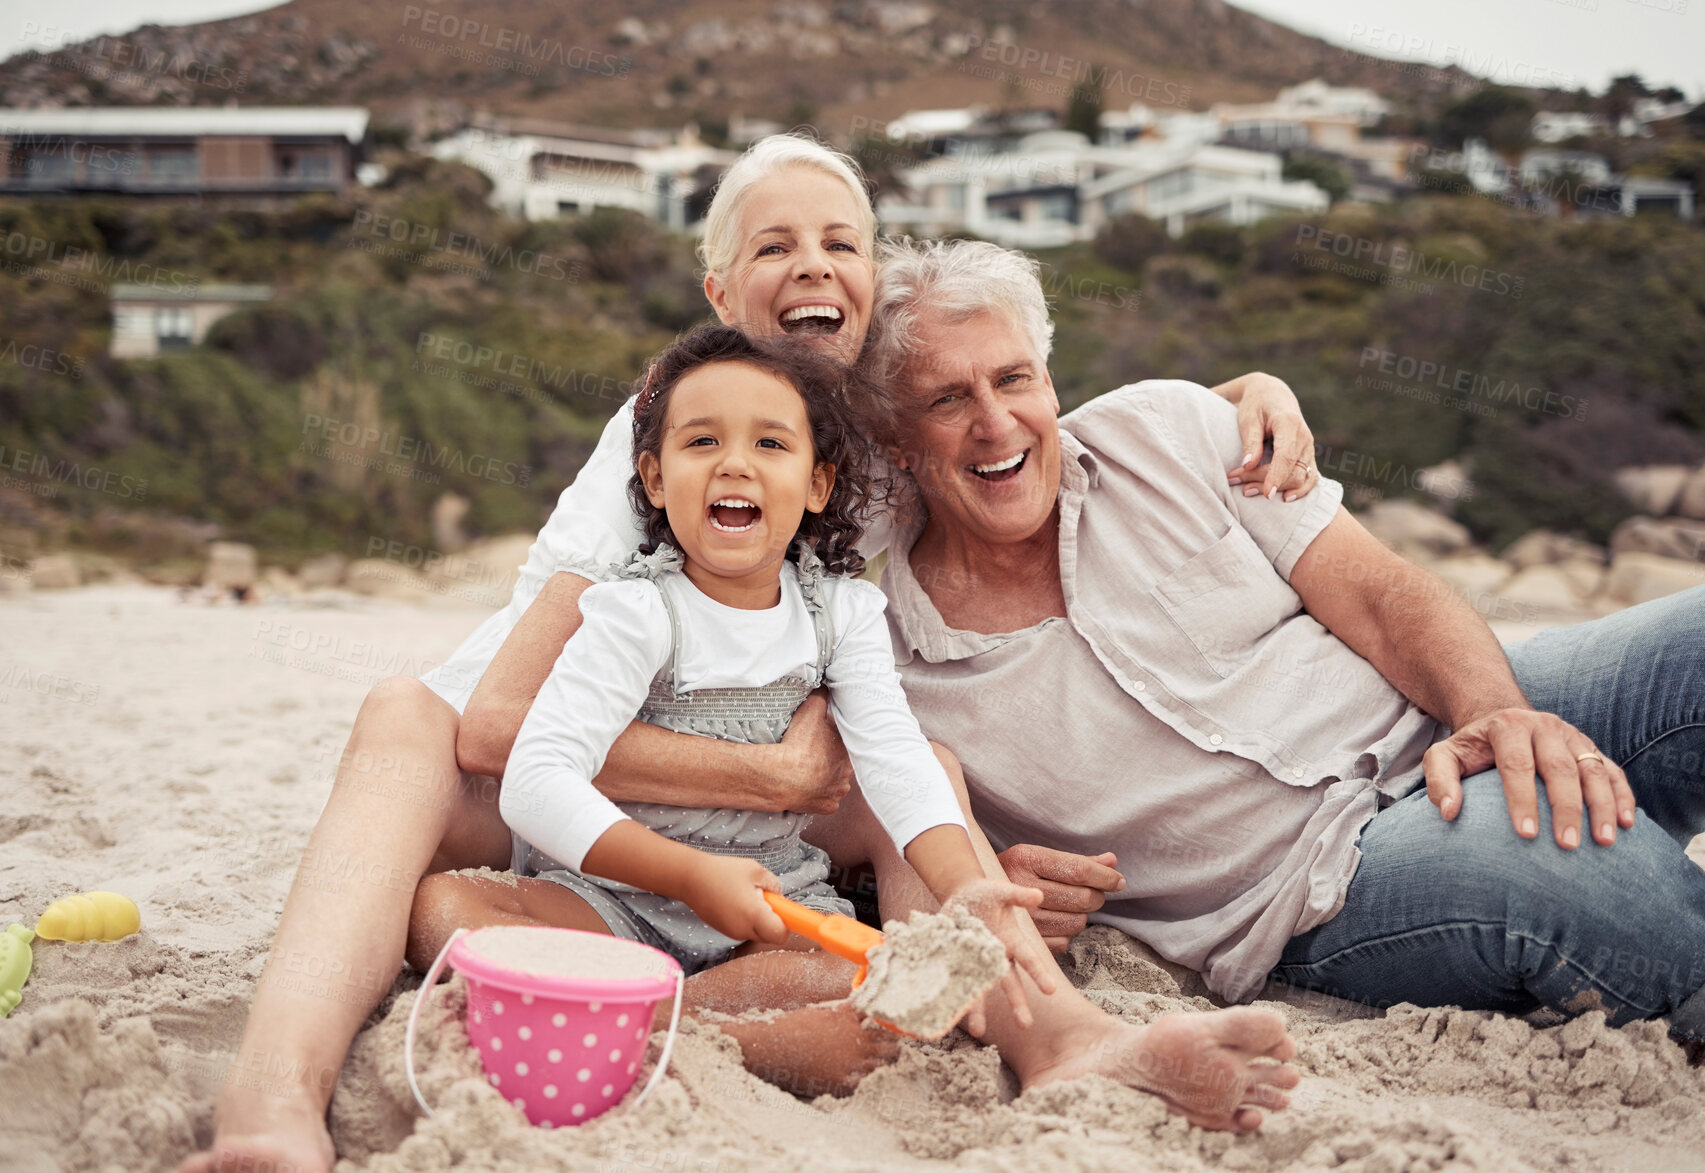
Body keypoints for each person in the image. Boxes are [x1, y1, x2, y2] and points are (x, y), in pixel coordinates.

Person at [184, 134, 1316, 1173]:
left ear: (872, 287)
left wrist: (1228, 404)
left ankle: (1056, 1034)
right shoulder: (674, 435)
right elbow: (497, 725)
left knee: (926, 771)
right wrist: (771, 777)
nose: (812, 266)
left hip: (730, 816)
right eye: (773, 247)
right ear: (721, 293)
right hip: (540, 774)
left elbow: (1018, 419)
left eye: (841, 244)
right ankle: (273, 1105)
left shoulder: (877, 435)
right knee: (400, 714)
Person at [861, 234, 1705, 1039]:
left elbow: (1379, 595)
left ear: (1048, 382)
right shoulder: (887, 667)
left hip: (1432, 706)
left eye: (1013, 379)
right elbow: (869, 855)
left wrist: (1495, 710)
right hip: (1320, 884)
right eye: (947, 399)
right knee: (1560, 855)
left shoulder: (1164, 428)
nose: (995, 422)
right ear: (895, 442)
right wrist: (980, 880)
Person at [406, 324, 1055, 1041]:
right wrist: (688, 876)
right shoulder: (634, 610)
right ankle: (692, 1017)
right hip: (614, 898)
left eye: (770, 443)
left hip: (773, 906)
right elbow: (535, 780)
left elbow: (894, 759)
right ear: (655, 478)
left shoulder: (840, 612)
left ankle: (650, 1016)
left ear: (817, 484)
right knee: (442, 906)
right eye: (702, 442)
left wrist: (965, 887)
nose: (735, 466)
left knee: (850, 987)